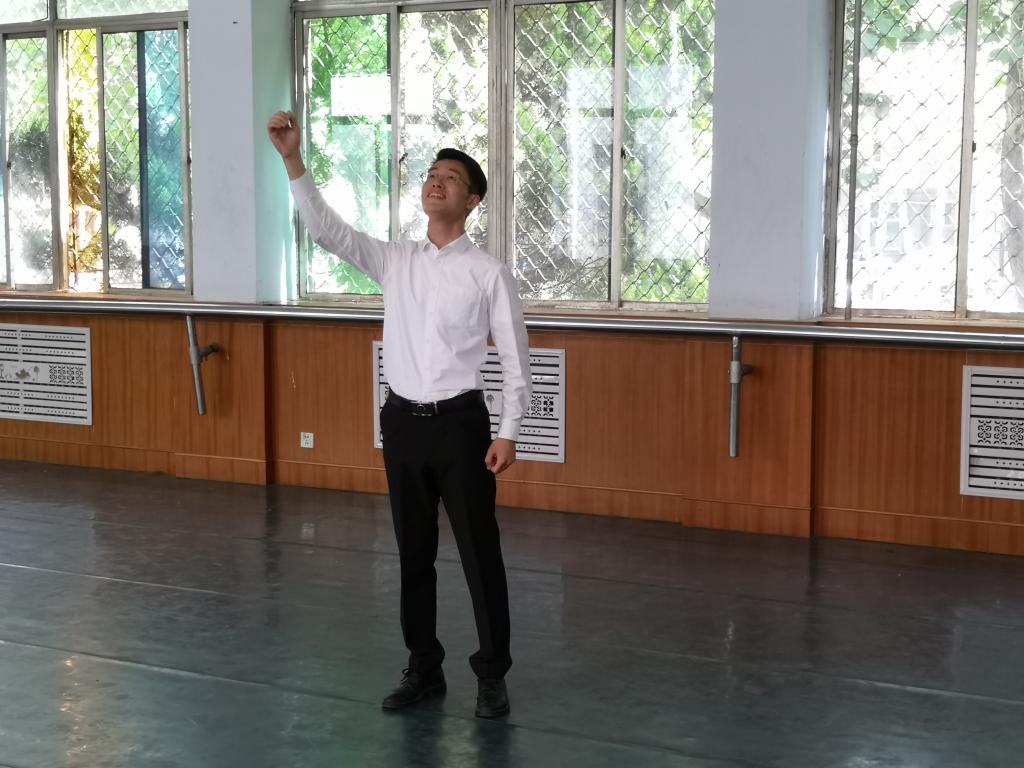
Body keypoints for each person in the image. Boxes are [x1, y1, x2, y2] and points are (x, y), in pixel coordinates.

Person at [267, 111, 531, 718]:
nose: (436, 181)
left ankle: (492, 673)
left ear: (471, 201)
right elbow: (326, 230)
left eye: (451, 178)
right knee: (414, 553)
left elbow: (516, 358)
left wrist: (509, 431)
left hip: (462, 425)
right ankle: (424, 667)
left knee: (479, 552)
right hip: (404, 423)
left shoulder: (488, 273)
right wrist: (292, 159)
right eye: (432, 173)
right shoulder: (395, 259)